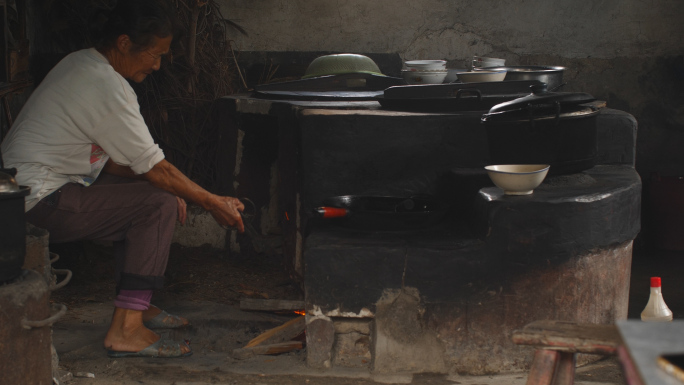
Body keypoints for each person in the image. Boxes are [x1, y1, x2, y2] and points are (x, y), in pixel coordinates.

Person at [0, 0, 244, 358]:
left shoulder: (81, 62)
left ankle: (138, 306)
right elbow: (154, 167)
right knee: (157, 204)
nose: (158, 65)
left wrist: (161, 183)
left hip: (22, 195)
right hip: (34, 201)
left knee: (153, 193)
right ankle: (126, 329)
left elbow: (119, 164)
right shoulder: (106, 85)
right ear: (125, 43)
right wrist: (209, 200)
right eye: (154, 54)